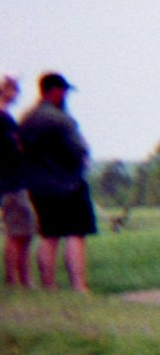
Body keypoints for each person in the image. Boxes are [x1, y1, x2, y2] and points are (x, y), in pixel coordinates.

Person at [17, 72, 95, 292]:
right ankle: (78, 285)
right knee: (75, 234)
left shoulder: (27, 118)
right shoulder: (62, 119)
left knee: (49, 235)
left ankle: (48, 285)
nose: (65, 96)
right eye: (64, 91)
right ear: (55, 91)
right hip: (68, 184)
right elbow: (80, 149)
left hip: (38, 185)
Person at [1, 73, 36, 288]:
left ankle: (19, 278)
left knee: (22, 231)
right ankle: (17, 279)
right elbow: (15, 149)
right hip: (11, 184)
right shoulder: (3, 119)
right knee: (19, 232)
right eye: (14, 90)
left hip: (13, 182)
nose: (17, 95)